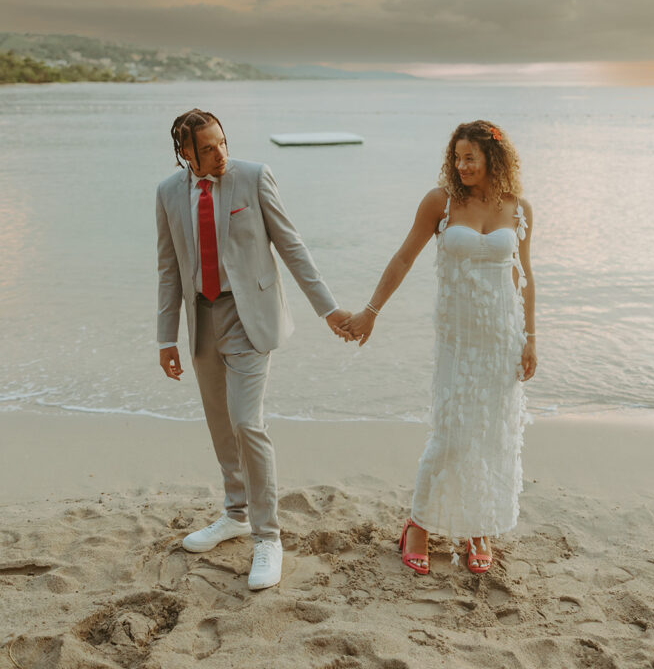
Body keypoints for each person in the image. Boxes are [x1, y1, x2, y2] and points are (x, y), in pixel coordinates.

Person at [156, 108, 350, 591]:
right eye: (207, 148)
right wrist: (166, 337)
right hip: (201, 321)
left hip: (250, 320)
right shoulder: (166, 193)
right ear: (185, 153)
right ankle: (235, 513)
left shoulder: (255, 178)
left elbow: (292, 246)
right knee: (222, 426)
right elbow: (167, 269)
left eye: (222, 142)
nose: (220, 153)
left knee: (247, 422)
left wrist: (328, 309)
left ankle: (268, 536)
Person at [344, 120, 536, 575]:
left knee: (488, 433)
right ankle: (419, 525)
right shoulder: (441, 203)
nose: (462, 165)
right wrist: (370, 311)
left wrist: (530, 339)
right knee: (451, 433)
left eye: (471, 157)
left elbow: (525, 277)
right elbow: (404, 257)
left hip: (500, 338)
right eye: (457, 157)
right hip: (458, 338)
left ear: (493, 158)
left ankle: (478, 527)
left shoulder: (518, 208)